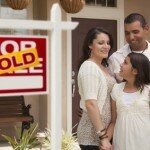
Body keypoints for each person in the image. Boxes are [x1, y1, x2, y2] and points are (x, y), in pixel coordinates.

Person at [77, 27, 116, 150]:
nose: (106, 46)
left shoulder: (106, 67)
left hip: (105, 134)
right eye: (101, 43)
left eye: (108, 43)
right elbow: (90, 104)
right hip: (92, 136)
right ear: (90, 45)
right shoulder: (89, 67)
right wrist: (103, 137)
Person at [109, 53, 150, 150]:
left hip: (144, 142)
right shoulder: (116, 89)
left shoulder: (148, 91)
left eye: (125, 62)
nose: (120, 64)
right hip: (121, 142)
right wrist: (105, 140)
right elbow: (113, 121)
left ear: (135, 70)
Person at [109, 13, 150, 82]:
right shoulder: (115, 58)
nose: (131, 37)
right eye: (127, 33)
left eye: (135, 32)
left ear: (146, 29)